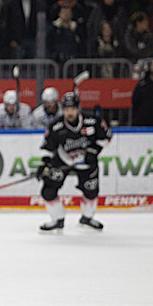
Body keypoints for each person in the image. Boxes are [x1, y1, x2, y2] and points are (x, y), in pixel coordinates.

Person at [35, 91, 110, 231]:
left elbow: (106, 137)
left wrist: (93, 152)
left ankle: (87, 218)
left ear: (78, 108)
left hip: (87, 161)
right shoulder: (55, 126)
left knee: (91, 191)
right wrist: (45, 164)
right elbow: (47, 147)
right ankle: (58, 219)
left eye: (73, 109)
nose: (69, 113)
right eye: (66, 109)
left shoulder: (93, 121)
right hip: (63, 160)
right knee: (48, 191)